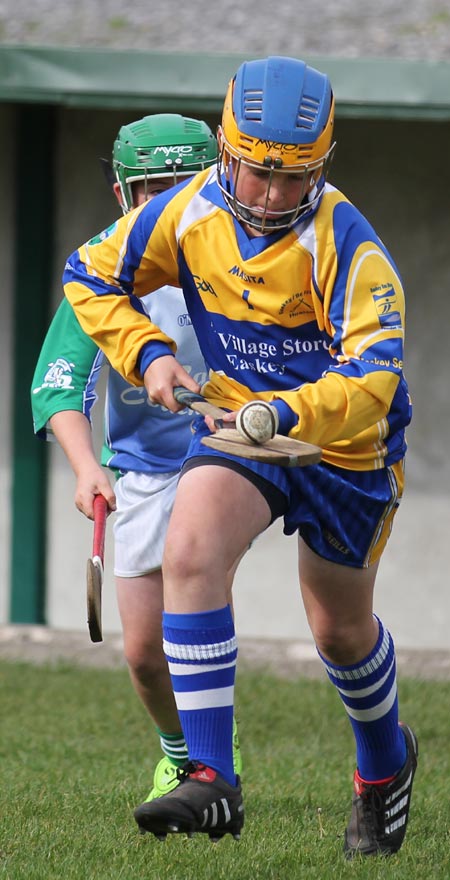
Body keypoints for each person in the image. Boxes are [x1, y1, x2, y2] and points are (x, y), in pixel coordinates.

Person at [62, 56, 418, 858]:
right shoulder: (186, 212)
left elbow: (373, 378)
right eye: (253, 170)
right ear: (226, 149)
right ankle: (212, 779)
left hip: (346, 451)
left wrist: (282, 410)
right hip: (236, 428)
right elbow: (89, 274)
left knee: (340, 633)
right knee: (190, 547)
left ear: (321, 167)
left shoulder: (352, 247)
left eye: (291, 178)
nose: (266, 194)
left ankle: (385, 765)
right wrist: (148, 352)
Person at [31, 112, 242, 804]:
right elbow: (60, 383)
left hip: (235, 459)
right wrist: (86, 466)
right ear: (123, 193)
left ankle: (212, 758)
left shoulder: (249, 254)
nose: (166, 206)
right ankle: (181, 752)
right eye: (152, 189)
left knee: (197, 573)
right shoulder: (100, 266)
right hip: (146, 471)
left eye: (182, 187)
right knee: (145, 655)